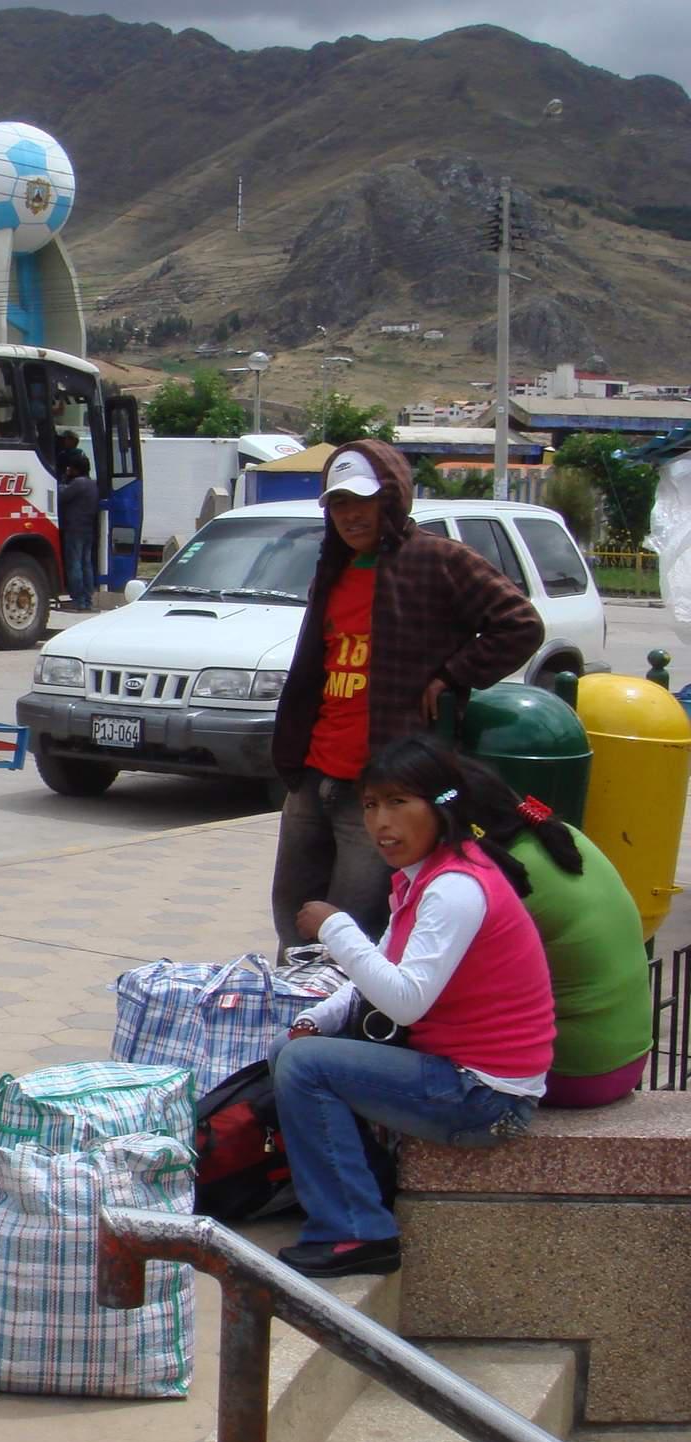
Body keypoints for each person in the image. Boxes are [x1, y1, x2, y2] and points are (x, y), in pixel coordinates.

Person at [272, 737, 555, 1278]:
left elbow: (404, 1002)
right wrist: (317, 1018)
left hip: (487, 1099)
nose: (381, 822)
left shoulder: (455, 889)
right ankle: (360, 1195)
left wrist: (335, 926)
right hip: (459, 1077)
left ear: (440, 805)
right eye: (372, 804)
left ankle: (357, 1232)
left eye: (399, 802)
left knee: (306, 1067)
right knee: (291, 1046)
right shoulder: (425, 877)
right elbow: (382, 963)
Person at [269, 439, 543, 952]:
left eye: (362, 501)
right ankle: (293, 1015)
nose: (351, 516)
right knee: (293, 918)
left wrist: (453, 675)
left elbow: (521, 624)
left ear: (391, 498)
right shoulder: (334, 568)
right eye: (339, 504)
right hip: (312, 776)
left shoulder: (437, 561)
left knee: (352, 930)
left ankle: (341, 1026)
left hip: (379, 789)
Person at [454, 758, 651, 1107]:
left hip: (579, 1071)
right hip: (628, 1059)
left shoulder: (501, 881)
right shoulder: (564, 836)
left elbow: (433, 990)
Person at [57, 452, 99, 613]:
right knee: (86, 564)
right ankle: (88, 600)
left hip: (74, 529)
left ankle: (78, 600)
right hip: (88, 528)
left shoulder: (78, 483)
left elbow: (60, 495)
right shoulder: (92, 484)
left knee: (74, 565)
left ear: (75, 469)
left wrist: (62, 478)